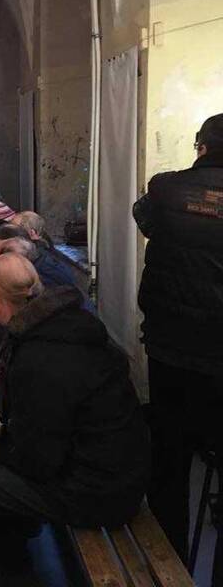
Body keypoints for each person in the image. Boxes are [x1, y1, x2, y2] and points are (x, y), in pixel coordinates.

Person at [0, 253, 150, 587]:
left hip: (99, 494)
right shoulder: (63, 323)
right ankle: (13, 552)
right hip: (121, 472)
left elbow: (38, 463)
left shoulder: (38, 357)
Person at [133, 113, 223, 577]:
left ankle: (169, 564)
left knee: (170, 456)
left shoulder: (166, 188)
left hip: (170, 347)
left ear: (201, 147)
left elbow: (144, 218)